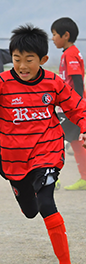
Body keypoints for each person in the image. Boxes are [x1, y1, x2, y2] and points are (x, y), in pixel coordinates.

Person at [0, 24, 86, 264]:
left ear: (43, 60)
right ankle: (23, 192)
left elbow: (79, 109)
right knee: (30, 210)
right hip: (13, 160)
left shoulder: (53, 82)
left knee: (46, 202)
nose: (22, 66)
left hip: (47, 152)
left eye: (29, 60)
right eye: (17, 59)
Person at [51, 17, 86, 191]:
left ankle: (52, 179)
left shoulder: (71, 53)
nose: (53, 38)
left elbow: (78, 81)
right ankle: (85, 179)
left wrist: (77, 105)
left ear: (66, 35)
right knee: (76, 143)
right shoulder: (69, 52)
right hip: (69, 106)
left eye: (55, 34)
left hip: (70, 108)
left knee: (55, 141)